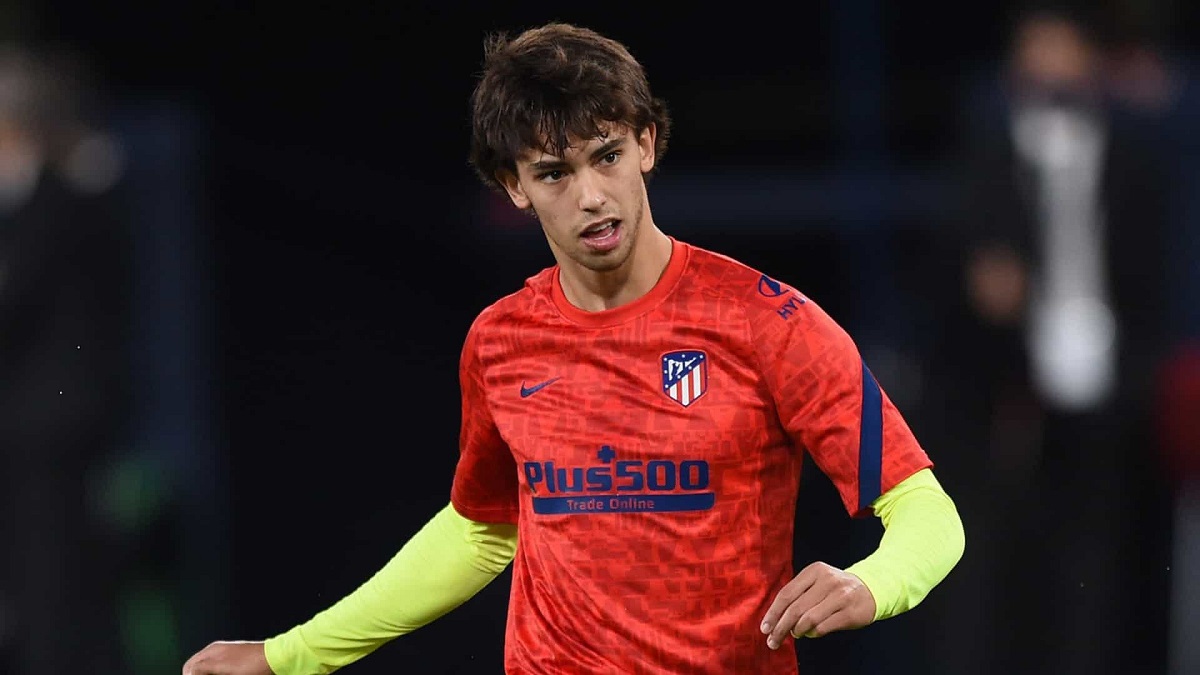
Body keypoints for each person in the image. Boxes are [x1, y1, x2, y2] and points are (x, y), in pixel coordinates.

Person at [182, 22, 965, 675]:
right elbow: (482, 529)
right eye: (554, 172)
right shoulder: (501, 341)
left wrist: (872, 583)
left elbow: (926, 511)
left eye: (607, 155)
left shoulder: (768, 322)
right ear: (514, 185)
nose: (591, 195)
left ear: (648, 143)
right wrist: (291, 654)